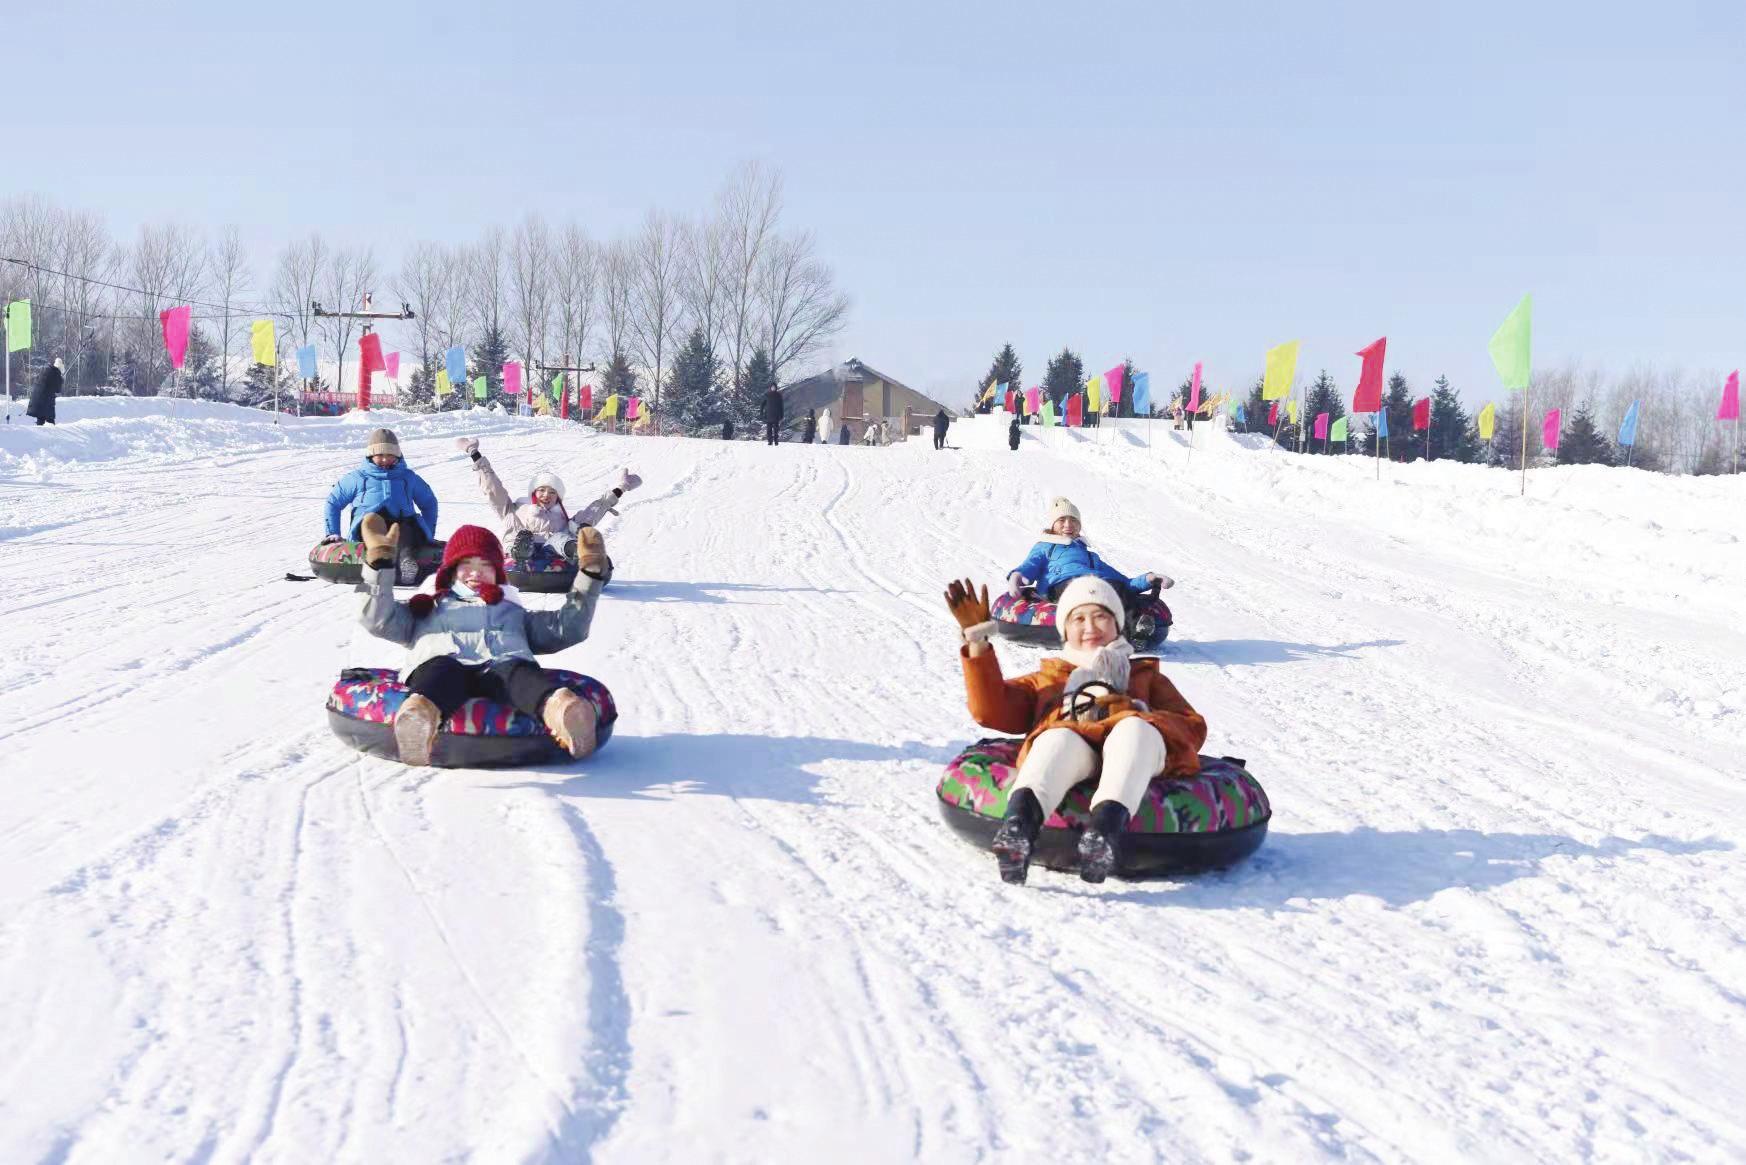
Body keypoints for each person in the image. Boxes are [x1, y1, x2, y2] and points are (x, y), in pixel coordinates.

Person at [944, 575, 1206, 884]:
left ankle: (1103, 835)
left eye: (1101, 617)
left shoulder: (1144, 677)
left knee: (1134, 730)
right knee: (1058, 737)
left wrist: (1138, 714)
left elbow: (1191, 727)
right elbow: (990, 711)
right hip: (1073, 753)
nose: (1090, 627)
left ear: (1117, 625)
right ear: (1064, 629)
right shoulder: (1049, 679)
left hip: (1133, 754)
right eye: (1078, 618)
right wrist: (977, 643)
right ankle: (1018, 829)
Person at [357, 520, 611, 766]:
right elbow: (378, 620)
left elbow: (566, 629)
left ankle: (565, 712)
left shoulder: (512, 611)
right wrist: (379, 567)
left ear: (497, 572)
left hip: (502, 665)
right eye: (466, 563)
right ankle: (418, 717)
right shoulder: (427, 607)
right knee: (441, 671)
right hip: (444, 663)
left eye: (485, 564)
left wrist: (589, 577)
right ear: (451, 571)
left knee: (519, 675)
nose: (476, 572)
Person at [1007, 497, 1173, 641]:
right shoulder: (1045, 547)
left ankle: (1136, 629)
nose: (1068, 525)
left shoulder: (1091, 556)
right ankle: (1114, 629)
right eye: (1062, 520)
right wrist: (1016, 576)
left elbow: (1125, 583)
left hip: (1093, 585)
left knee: (1116, 587)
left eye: (1073, 521)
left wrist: (1149, 578)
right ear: (1053, 525)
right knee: (1092, 587)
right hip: (1062, 587)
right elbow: (1030, 565)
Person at [455, 437, 641, 563]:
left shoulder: (562, 517)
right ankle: (519, 552)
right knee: (519, 533)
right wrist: (475, 454)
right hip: (521, 547)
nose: (546, 495)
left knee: (563, 536)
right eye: (541, 490)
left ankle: (572, 550)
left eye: (552, 492)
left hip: (552, 550)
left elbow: (592, 512)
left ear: (557, 496)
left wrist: (620, 489)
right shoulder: (515, 509)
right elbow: (492, 488)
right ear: (534, 493)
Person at [323, 428, 439, 584]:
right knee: (371, 521)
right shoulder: (357, 478)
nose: (385, 460)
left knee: (403, 528)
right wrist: (333, 532)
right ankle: (378, 563)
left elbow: (429, 503)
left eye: (390, 455)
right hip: (370, 525)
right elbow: (333, 502)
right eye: (380, 455)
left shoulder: (408, 477)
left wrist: (428, 533)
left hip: (402, 523)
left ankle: (407, 563)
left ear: (397, 456)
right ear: (371, 455)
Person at [26, 358, 62, 426]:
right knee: (50, 420)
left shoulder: (45, 370)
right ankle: (52, 434)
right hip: (45, 401)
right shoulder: (57, 373)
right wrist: (61, 379)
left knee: (41, 417)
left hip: (36, 398)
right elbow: (58, 390)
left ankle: (40, 432)